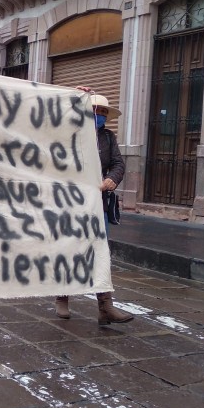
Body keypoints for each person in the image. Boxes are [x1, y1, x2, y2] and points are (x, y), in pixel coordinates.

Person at [55, 90, 133, 325]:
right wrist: (73, 96)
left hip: (98, 205)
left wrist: (112, 178)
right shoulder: (70, 133)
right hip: (71, 203)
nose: (99, 116)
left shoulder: (108, 137)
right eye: (95, 111)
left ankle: (105, 306)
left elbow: (119, 163)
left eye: (102, 112)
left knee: (100, 251)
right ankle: (62, 297)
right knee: (70, 248)